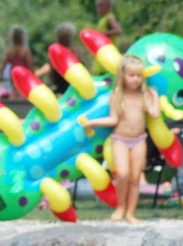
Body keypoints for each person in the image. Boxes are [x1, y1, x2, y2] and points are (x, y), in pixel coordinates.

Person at [83, 54, 161, 223]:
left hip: (139, 140)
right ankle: (120, 206)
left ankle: (131, 213)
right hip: (120, 140)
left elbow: (154, 113)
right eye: (131, 75)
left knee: (135, 177)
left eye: (139, 76)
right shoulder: (117, 95)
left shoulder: (144, 95)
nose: (135, 79)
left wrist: (154, 97)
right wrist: (92, 123)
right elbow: (113, 119)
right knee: (123, 174)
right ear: (123, 76)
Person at [36, 22, 89, 94]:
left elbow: (47, 68)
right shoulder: (77, 51)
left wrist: (35, 74)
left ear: (57, 37)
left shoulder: (55, 53)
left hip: (61, 91)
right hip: (77, 89)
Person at [0, 26, 34, 99]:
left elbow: (3, 65)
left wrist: (0, 75)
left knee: (14, 91)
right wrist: (32, 75)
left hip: (13, 74)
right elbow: (30, 64)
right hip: (23, 74)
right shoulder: (25, 51)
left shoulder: (10, 51)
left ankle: (14, 103)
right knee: (23, 91)